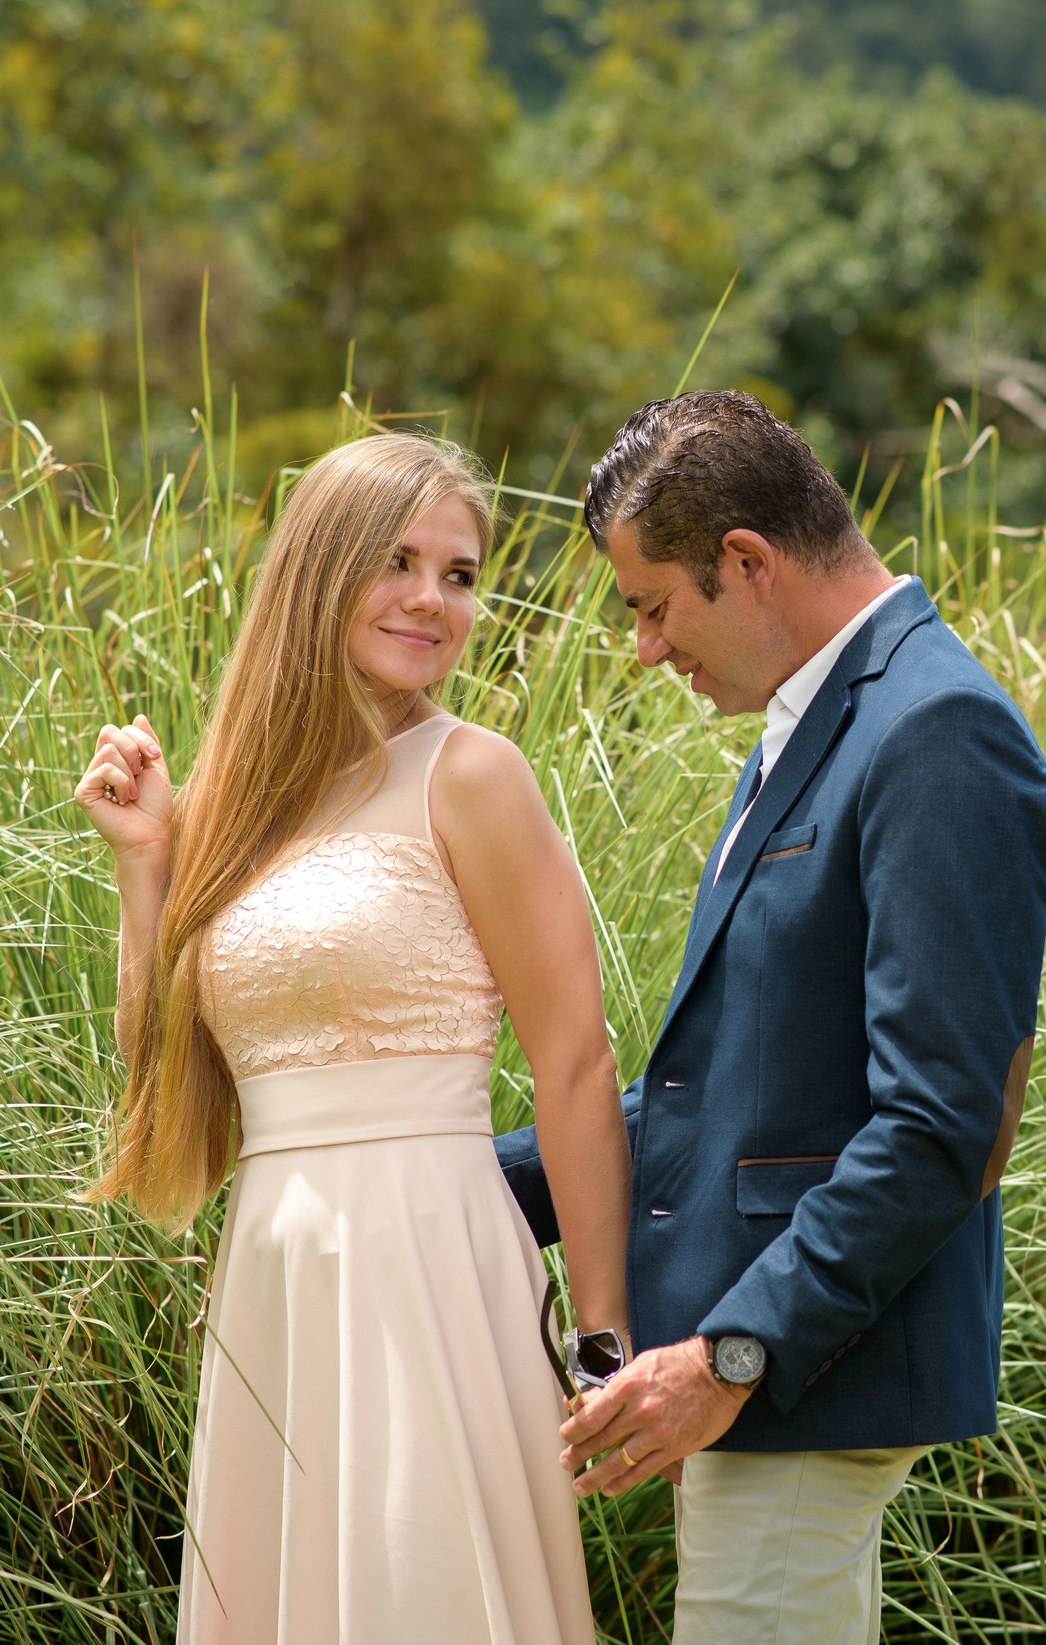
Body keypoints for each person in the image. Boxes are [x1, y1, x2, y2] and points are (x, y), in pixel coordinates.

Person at [496, 390, 1046, 1644]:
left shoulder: (936, 730)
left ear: (746, 561)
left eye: (652, 605)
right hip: (772, 1379)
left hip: (811, 1375)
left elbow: (944, 1124)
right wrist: (457, 1185)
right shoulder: (821, 722)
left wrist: (733, 1354)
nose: (645, 647)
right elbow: (733, 1091)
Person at [71, 432, 630, 1645]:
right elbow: (165, 1064)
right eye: (396, 560)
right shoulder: (232, 800)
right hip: (276, 1266)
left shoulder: (473, 775)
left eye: (461, 572)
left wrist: (601, 1338)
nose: (433, 599)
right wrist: (149, 867)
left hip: (428, 1256)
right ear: (317, 569)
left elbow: (576, 1062)